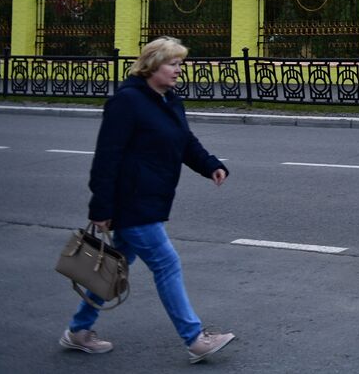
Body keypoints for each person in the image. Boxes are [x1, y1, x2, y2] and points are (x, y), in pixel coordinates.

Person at [60, 37, 236, 363]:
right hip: (132, 201)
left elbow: (184, 141)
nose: (178, 71)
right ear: (152, 64)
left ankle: (78, 331)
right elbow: (107, 157)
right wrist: (101, 207)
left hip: (153, 197)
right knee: (167, 264)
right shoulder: (127, 102)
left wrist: (210, 164)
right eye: (173, 64)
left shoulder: (169, 100)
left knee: (110, 270)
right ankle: (195, 338)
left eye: (180, 64)